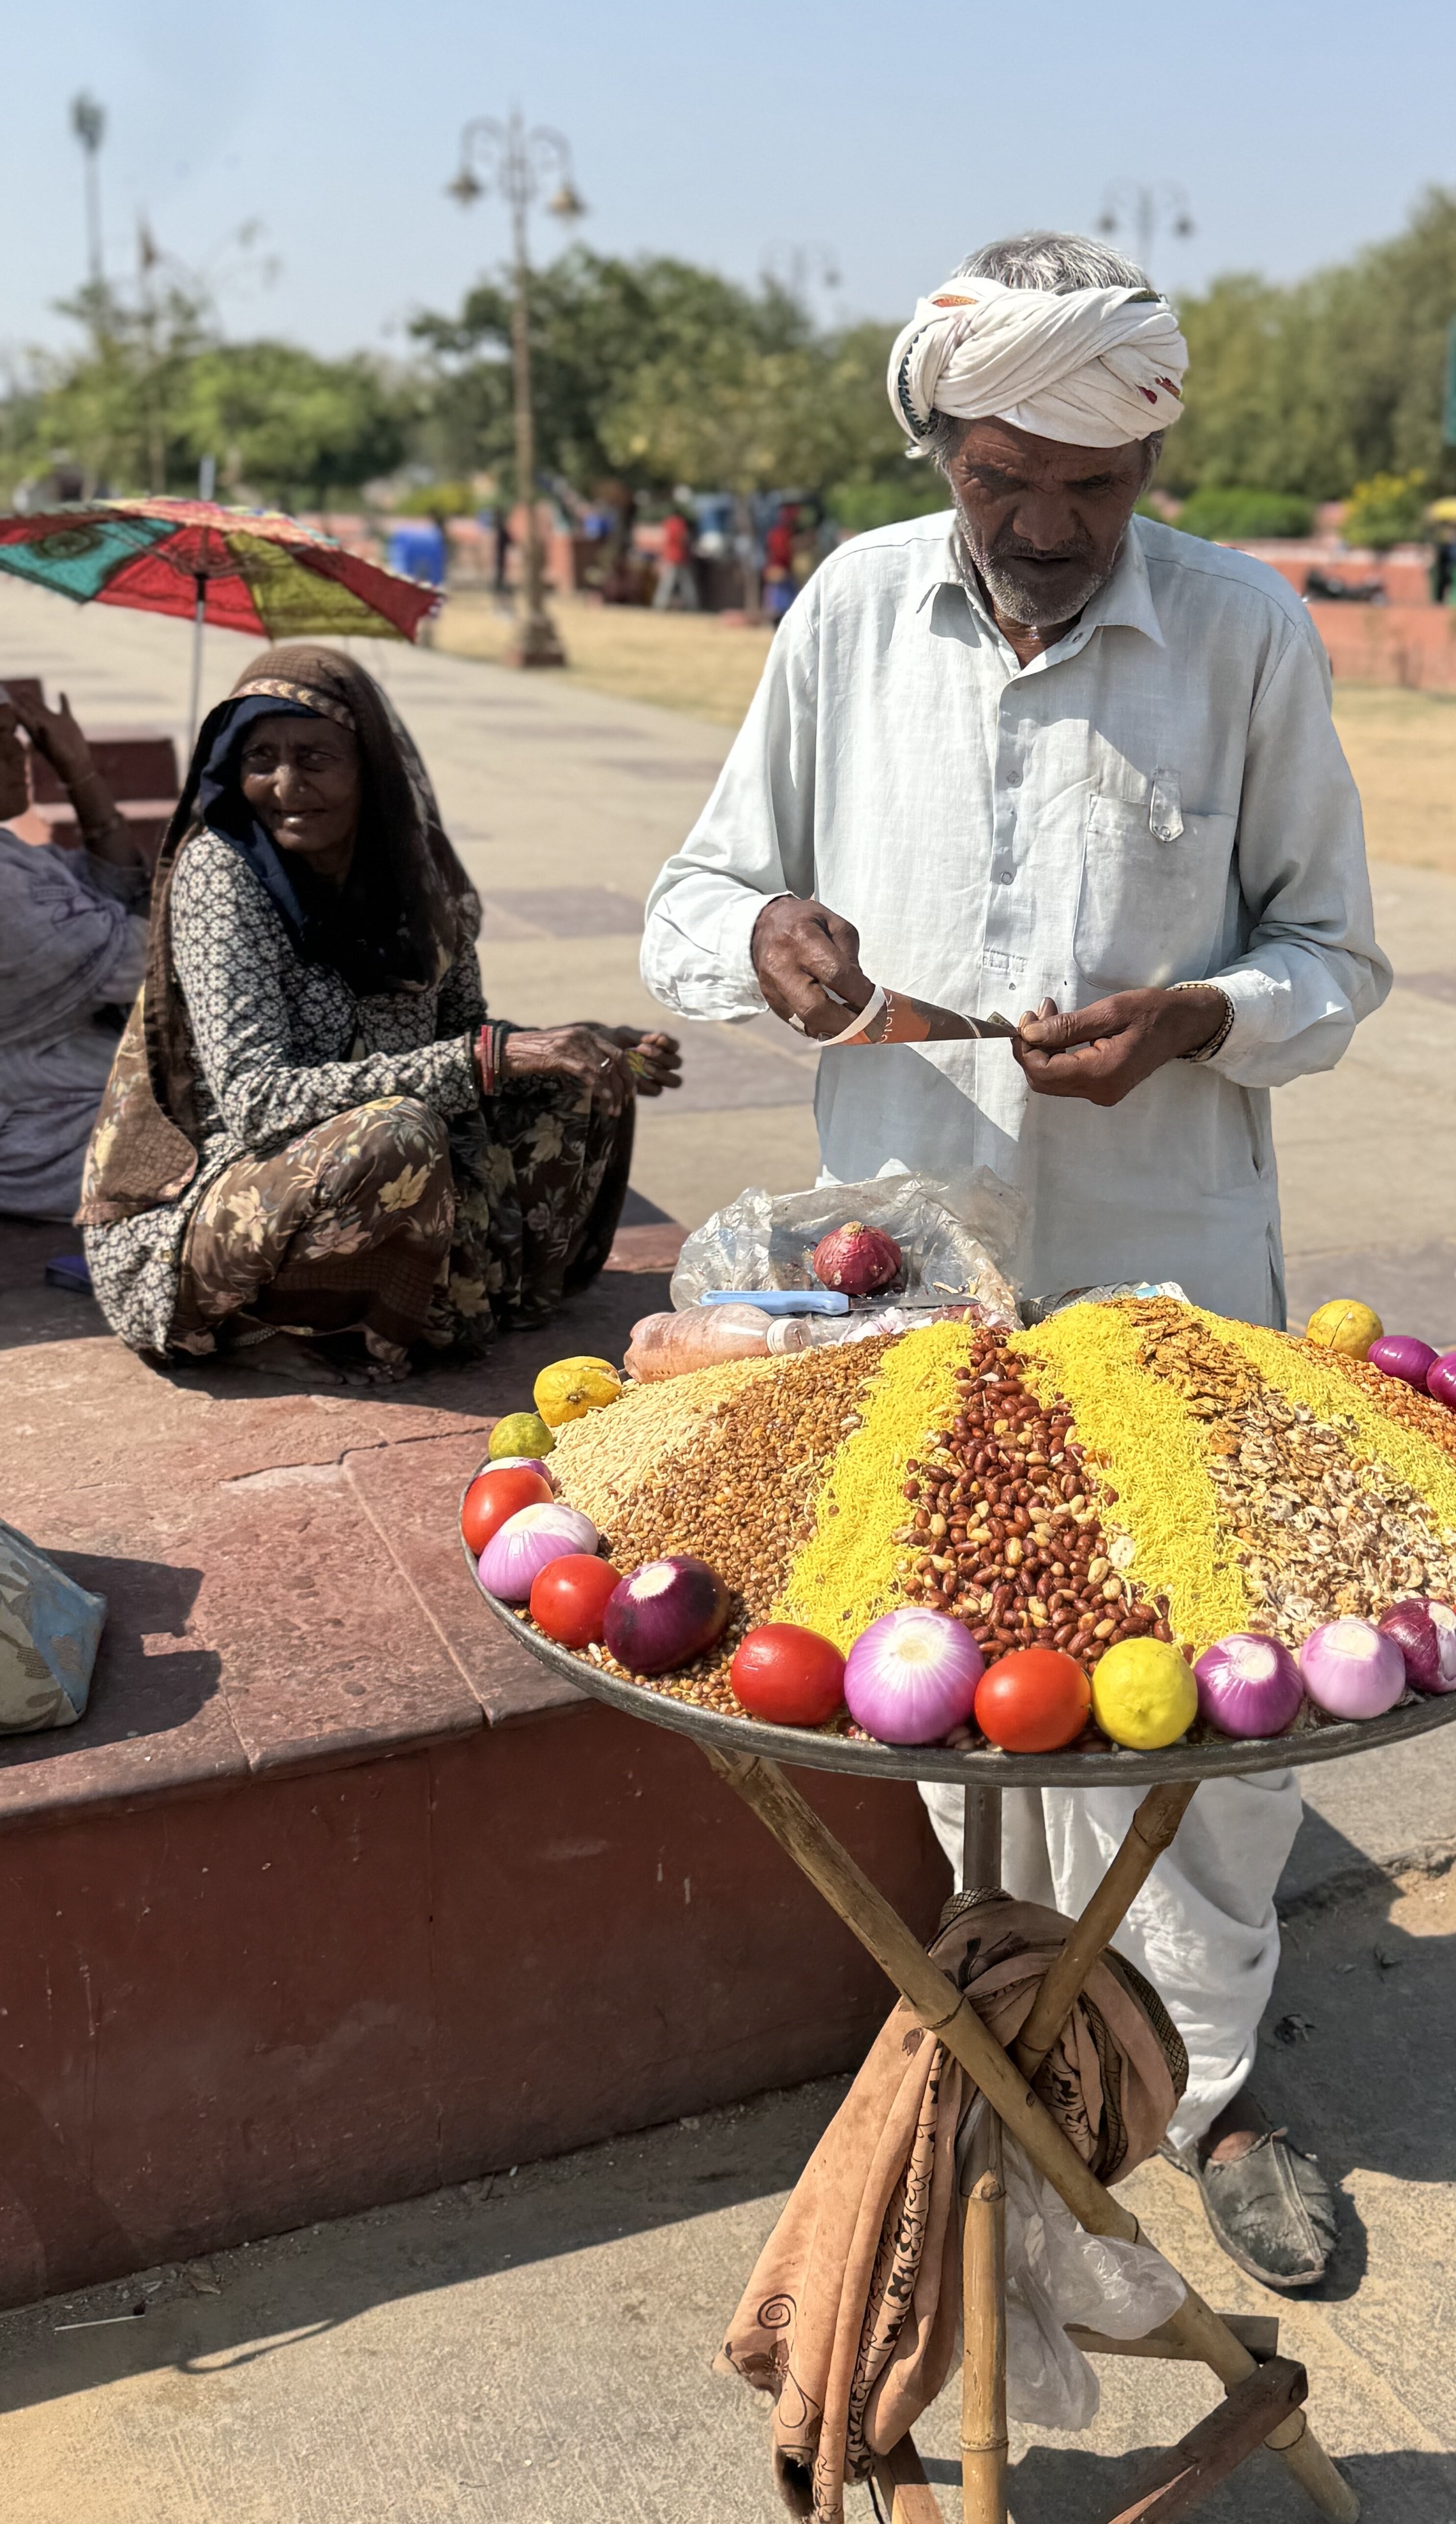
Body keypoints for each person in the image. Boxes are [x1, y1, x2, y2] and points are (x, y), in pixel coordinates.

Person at [642, 231, 1390, 2291]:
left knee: (1195, 1712)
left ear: (1151, 465)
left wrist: (1200, 1019)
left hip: (1169, 1267)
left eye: (1092, 493)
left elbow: (1336, 953)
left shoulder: (1241, 637)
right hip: (909, 1275)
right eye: (1001, 485)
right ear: (937, 447)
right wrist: (767, 949)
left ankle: (1218, 2079)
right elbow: (700, 895)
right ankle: (999, 2030)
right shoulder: (850, 608)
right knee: (954, 1672)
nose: (1046, 532)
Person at [80, 644, 681, 1387]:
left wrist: (573, 1046)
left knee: (578, 1081)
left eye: (316, 758)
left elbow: (460, 1035)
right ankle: (308, 1326)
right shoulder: (224, 872)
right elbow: (257, 1100)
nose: (286, 786)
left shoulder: (418, 877)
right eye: (260, 757)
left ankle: (477, 1296)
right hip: (217, 1192)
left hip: (363, 1150)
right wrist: (495, 1058)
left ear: (372, 767)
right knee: (398, 1130)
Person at [0, 687, 150, 1219]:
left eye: (15, 739)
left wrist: (79, 773)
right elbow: (142, 965)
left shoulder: (12, 856)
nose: (18, 758)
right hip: (42, 1138)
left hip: (73, 1099)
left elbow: (110, 890)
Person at [653, 502, 699, 612]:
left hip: (671, 556)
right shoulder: (679, 523)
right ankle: (692, 606)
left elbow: (664, 540)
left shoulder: (668, 523)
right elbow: (683, 538)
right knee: (685, 583)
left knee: (669, 583)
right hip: (679, 556)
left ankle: (660, 605)